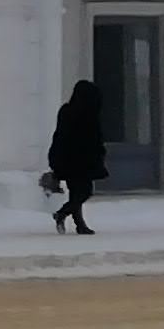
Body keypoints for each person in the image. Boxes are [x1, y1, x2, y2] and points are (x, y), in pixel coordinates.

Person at [47, 78, 106, 233]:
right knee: (84, 192)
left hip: (70, 159)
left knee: (76, 192)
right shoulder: (87, 114)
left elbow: (60, 136)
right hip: (79, 160)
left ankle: (80, 224)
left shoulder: (68, 111)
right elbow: (92, 138)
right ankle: (62, 213)